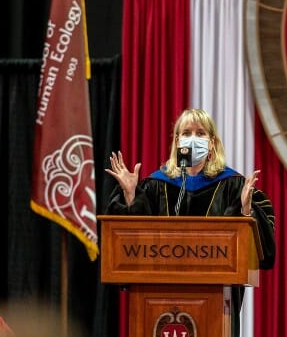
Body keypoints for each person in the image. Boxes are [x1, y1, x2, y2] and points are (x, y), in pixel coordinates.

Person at [105, 107, 276, 269]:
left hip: (216, 288)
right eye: (187, 133)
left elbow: (259, 252)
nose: (193, 139)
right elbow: (133, 241)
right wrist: (130, 195)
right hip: (160, 286)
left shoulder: (232, 185)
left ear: (211, 143)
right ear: (178, 141)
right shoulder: (157, 184)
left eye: (200, 133)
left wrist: (246, 211)